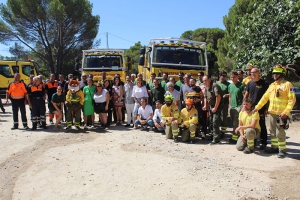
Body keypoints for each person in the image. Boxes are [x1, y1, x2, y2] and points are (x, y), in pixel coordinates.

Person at [253, 64, 296, 158]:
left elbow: (292, 100)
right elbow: (265, 97)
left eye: (277, 74)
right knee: (272, 131)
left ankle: (282, 150)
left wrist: (286, 112)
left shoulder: (288, 85)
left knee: (280, 132)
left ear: (282, 74)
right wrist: (257, 107)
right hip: (272, 113)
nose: (275, 75)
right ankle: (274, 147)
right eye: (274, 74)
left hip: (282, 114)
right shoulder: (272, 85)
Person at [244, 67, 269, 149]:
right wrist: (244, 105)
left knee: (262, 124)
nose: (252, 74)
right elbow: (246, 95)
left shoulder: (264, 83)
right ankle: (253, 141)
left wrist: (266, 108)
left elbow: (267, 97)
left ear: (259, 73)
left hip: (260, 108)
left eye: (254, 72)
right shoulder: (249, 83)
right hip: (251, 108)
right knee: (252, 125)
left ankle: (263, 142)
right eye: (251, 73)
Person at [226, 72, 245, 144]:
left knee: (235, 123)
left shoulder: (241, 86)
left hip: (238, 106)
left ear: (237, 77)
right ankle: (235, 136)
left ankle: (235, 138)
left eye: (234, 77)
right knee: (233, 122)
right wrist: (229, 106)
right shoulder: (230, 86)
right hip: (232, 107)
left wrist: (243, 106)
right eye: (231, 77)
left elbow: (244, 96)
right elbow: (230, 96)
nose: (232, 79)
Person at [203, 75, 222, 145]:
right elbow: (205, 97)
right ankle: (212, 135)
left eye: (205, 80)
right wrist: (205, 105)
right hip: (211, 106)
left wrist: (215, 108)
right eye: (203, 81)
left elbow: (218, 97)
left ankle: (216, 139)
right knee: (210, 121)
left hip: (217, 106)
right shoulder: (206, 87)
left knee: (215, 122)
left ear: (209, 79)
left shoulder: (214, 86)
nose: (204, 82)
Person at [216, 71, 230, 137]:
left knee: (224, 117)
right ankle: (216, 130)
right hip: (216, 103)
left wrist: (226, 95)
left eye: (225, 76)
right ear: (219, 75)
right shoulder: (216, 83)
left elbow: (231, 93)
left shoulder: (228, 84)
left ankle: (223, 131)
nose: (223, 77)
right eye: (222, 75)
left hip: (224, 103)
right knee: (216, 117)